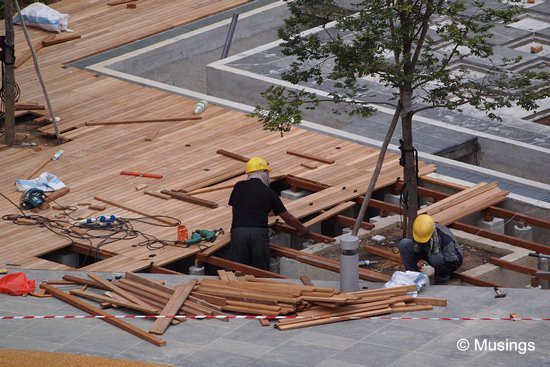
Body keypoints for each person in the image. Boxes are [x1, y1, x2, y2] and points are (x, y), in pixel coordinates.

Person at [227, 157, 307, 270]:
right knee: (261, 271)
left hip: (238, 232)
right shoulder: (269, 193)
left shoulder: (238, 186)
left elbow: (235, 209)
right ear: (263, 173)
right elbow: (287, 217)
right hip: (258, 234)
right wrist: (302, 229)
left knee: (238, 270)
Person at [399, 214, 463, 285]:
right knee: (404, 244)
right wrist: (419, 259)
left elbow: (453, 265)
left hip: (449, 262)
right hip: (429, 253)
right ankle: (414, 276)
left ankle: (441, 281)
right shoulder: (419, 231)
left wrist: (434, 270)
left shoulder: (446, 240)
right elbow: (418, 247)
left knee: (435, 257)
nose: (420, 241)